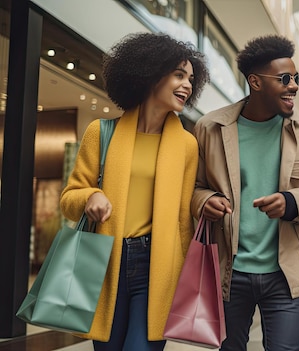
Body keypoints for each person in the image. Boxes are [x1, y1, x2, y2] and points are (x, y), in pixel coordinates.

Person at [60, 32, 209, 350]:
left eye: (191, 79)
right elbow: (69, 199)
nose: (187, 85)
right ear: (151, 74)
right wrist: (91, 196)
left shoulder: (186, 145)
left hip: (157, 264)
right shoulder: (100, 132)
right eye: (179, 75)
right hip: (105, 261)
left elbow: (184, 221)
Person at [191, 34, 299, 351]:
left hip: (287, 274)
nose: (294, 85)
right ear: (255, 82)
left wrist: (293, 201)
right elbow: (193, 189)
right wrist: (206, 201)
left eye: (297, 78)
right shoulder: (209, 128)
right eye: (284, 79)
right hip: (229, 271)